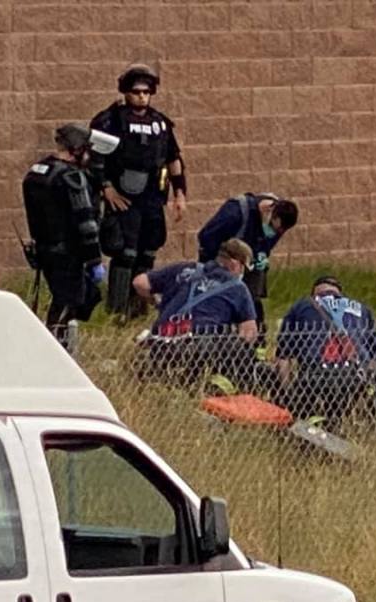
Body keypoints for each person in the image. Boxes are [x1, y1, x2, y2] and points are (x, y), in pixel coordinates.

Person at [91, 63, 187, 317]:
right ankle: (117, 311)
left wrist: (179, 194)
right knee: (126, 254)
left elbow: (173, 159)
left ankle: (138, 309)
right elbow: (95, 158)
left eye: (146, 92)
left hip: (153, 198)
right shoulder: (110, 120)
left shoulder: (160, 123)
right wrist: (106, 188)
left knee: (148, 253)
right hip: (124, 198)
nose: (142, 96)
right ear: (126, 92)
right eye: (136, 92)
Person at [22, 123, 114, 337]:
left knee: (65, 298)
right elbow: (85, 222)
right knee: (70, 301)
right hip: (67, 252)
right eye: (87, 151)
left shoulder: (38, 171)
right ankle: (56, 343)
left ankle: (57, 339)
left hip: (44, 249)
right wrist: (94, 260)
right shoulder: (71, 176)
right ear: (77, 150)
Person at [132, 238, 258, 388]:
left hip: (161, 343)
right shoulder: (237, 287)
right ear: (234, 263)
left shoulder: (185, 269)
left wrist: (157, 303)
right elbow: (249, 333)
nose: (243, 273)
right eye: (243, 268)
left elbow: (140, 283)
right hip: (197, 351)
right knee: (237, 347)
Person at [274, 276, 376, 427]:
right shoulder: (362, 309)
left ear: (314, 292)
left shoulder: (302, 306)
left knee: (304, 413)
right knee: (338, 411)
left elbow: (283, 357)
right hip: (354, 377)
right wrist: (366, 387)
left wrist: (288, 393)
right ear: (339, 292)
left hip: (314, 376)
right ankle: (340, 422)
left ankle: (309, 424)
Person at [197, 193, 299, 338]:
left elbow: (267, 244)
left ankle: (254, 344)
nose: (273, 232)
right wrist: (224, 262)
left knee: (253, 304)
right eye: (272, 226)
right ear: (269, 210)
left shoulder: (278, 223)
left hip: (250, 265)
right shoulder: (235, 213)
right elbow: (206, 239)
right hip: (223, 266)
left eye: (278, 231)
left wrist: (261, 257)